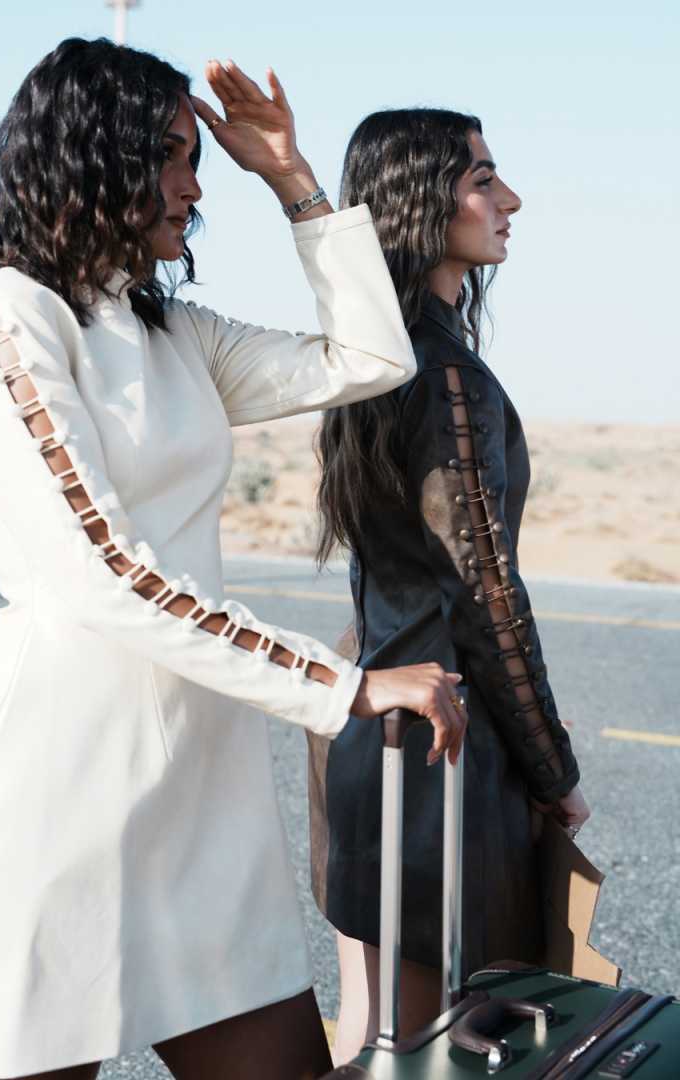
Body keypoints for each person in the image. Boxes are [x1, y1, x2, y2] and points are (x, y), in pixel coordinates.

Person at [0, 41, 467, 1080]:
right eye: (172, 154)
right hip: (56, 794)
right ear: (90, 156)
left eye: (197, 157)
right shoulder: (10, 320)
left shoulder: (174, 334)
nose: (196, 186)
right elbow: (106, 572)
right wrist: (345, 685)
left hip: (201, 798)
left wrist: (291, 179)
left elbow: (372, 358)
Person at [309, 108, 591, 1064]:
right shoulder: (443, 378)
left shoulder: (374, 363)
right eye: (482, 179)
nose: (508, 199)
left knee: (372, 1040)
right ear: (422, 203)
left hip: (370, 744)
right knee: (431, 1053)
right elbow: (490, 602)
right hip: (437, 763)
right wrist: (554, 771)